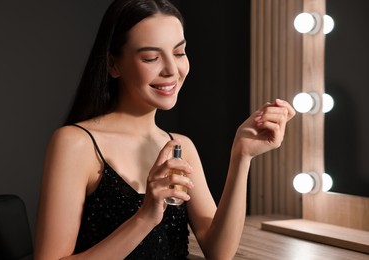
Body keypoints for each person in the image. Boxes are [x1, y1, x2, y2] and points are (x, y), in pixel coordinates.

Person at [34, 0, 296, 259]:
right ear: (113, 64)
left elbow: (220, 252)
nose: (172, 70)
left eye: (179, 52)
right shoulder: (76, 143)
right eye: (151, 57)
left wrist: (242, 155)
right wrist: (145, 218)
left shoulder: (181, 146)